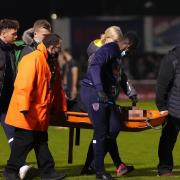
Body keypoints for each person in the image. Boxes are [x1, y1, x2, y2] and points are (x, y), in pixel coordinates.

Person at [3, 33, 67, 180]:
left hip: (37, 111)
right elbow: (23, 85)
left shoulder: (48, 60)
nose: (59, 50)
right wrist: (24, 107)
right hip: (28, 111)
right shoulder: (34, 59)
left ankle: (47, 171)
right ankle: (11, 170)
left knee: (40, 141)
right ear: (51, 46)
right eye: (58, 47)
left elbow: (55, 88)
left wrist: (59, 107)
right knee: (24, 142)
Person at [79, 26, 138, 180]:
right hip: (93, 93)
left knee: (113, 128)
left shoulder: (116, 54)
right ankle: (99, 171)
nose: (130, 54)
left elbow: (120, 75)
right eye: (131, 50)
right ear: (128, 45)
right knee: (101, 132)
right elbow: (95, 66)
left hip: (105, 95)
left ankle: (94, 164)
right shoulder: (110, 48)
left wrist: (130, 92)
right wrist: (99, 89)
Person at [156, 45, 180, 176]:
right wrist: (162, 107)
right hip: (174, 109)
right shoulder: (172, 58)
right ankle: (164, 169)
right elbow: (162, 84)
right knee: (168, 140)